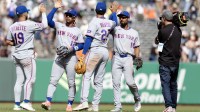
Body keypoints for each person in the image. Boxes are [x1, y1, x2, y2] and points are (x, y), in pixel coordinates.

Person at [73, 2, 117, 111]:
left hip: (95, 50)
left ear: (95, 10)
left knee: (86, 76)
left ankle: (84, 102)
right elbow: (115, 23)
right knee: (99, 81)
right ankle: (95, 106)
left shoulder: (94, 21)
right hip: (105, 52)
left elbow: (88, 39)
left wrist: (83, 54)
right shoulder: (109, 22)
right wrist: (114, 12)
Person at [41, 0, 84, 111]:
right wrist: (55, 8)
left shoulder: (77, 31)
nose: (68, 17)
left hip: (71, 58)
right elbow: (48, 21)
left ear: (74, 18)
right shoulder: (59, 25)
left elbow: (82, 44)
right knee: (53, 80)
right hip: (59, 57)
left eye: (70, 15)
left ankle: (69, 105)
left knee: (71, 82)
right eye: (67, 15)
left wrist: (72, 49)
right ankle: (48, 101)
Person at [6, 4, 48, 111]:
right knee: (30, 79)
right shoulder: (29, 24)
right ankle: (26, 102)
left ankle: (16, 104)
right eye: (27, 12)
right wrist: (43, 12)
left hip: (17, 55)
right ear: (24, 14)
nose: (28, 13)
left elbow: (8, 41)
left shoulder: (12, 26)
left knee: (19, 80)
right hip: (27, 55)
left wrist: (19, 44)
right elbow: (45, 25)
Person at [110, 11, 142, 112]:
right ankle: (118, 106)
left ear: (128, 18)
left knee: (130, 82)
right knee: (116, 83)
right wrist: (113, 13)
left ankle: (137, 98)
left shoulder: (134, 32)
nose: (121, 19)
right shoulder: (115, 29)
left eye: (123, 17)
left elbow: (136, 47)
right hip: (116, 57)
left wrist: (137, 58)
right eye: (120, 17)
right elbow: (110, 22)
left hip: (128, 58)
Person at [155, 10, 182, 112]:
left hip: (165, 62)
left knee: (165, 85)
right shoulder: (178, 30)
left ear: (164, 19)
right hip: (175, 62)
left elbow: (158, 43)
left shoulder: (163, 31)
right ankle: (173, 107)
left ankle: (169, 106)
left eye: (162, 18)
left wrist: (160, 28)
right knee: (173, 85)